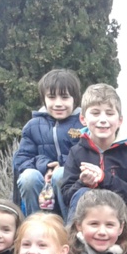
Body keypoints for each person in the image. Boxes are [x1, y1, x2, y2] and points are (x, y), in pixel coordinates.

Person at [61, 84, 127, 225]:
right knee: (81, 193)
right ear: (83, 119)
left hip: (124, 223)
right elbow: (67, 198)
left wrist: (105, 179)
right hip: (88, 224)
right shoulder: (76, 152)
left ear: (119, 121)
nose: (103, 119)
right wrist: (82, 183)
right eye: (95, 113)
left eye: (109, 114)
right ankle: (74, 244)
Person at [13, 69, 82, 217]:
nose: (58, 103)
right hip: (42, 190)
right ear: (44, 99)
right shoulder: (32, 126)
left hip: (71, 186)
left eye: (64, 97)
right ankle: (35, 227)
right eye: (51, 97)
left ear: (75, 99)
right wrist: (45, 167)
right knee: (28, 177)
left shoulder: (84, 125)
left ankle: (69, 230)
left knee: (60, 174)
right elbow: (21, 160)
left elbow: (87, 155)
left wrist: (61, 165)